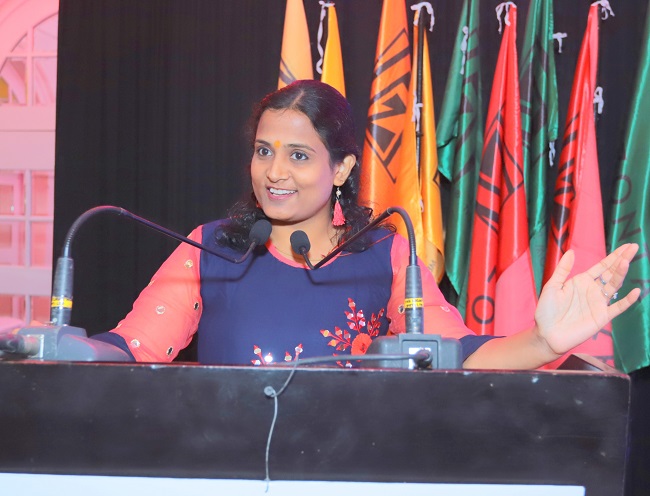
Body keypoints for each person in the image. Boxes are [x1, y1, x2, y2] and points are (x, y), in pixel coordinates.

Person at [95, 80, 640, 369]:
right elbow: (131, 347)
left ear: (342, 169)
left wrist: (543, 341)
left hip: (349, 490)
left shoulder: (386, 254)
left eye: (299, 155)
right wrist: (63, 349)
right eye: (264, 151)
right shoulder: (208, 248)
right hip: (228, 487)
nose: (274, 172)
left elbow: (457, 355)